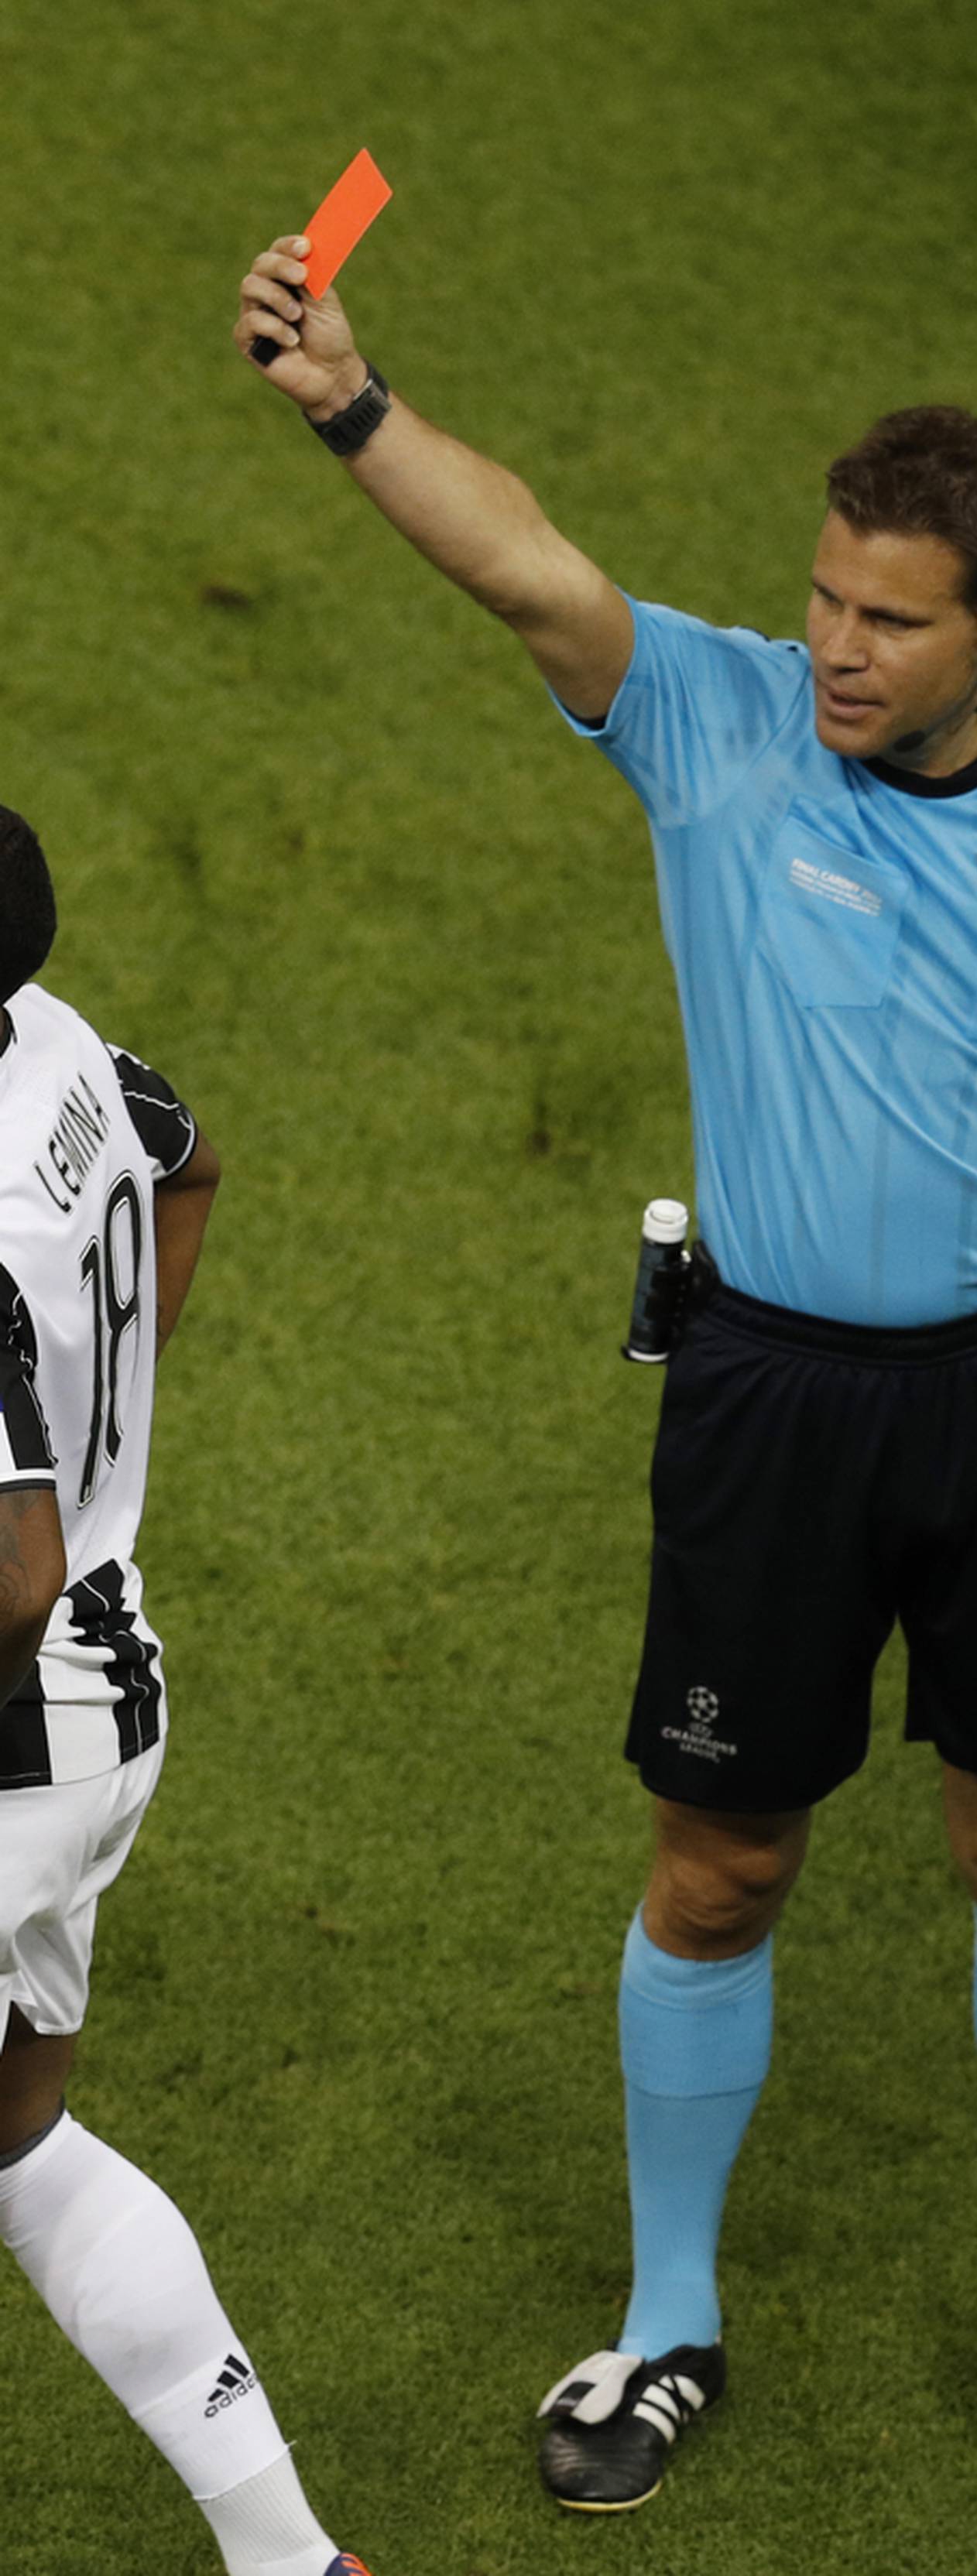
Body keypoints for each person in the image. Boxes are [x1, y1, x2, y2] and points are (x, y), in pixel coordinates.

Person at [234, 239, 977, 2506]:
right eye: (825, 595)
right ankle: (662, 2324)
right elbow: (525, 561)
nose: (836, 645)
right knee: (719, 1868)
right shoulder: (715, 719)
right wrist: (350, 400)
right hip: (767, 1399)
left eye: (891, 617)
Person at [0, 806, 375, 2576]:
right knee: (22, 2139)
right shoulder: (61, 1047)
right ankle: (296, 2561)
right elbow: (192, 1157)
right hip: (103, 1703)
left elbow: (1, 1571)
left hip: (13, 1726)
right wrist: (107, 1446)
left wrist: (60, 1479)